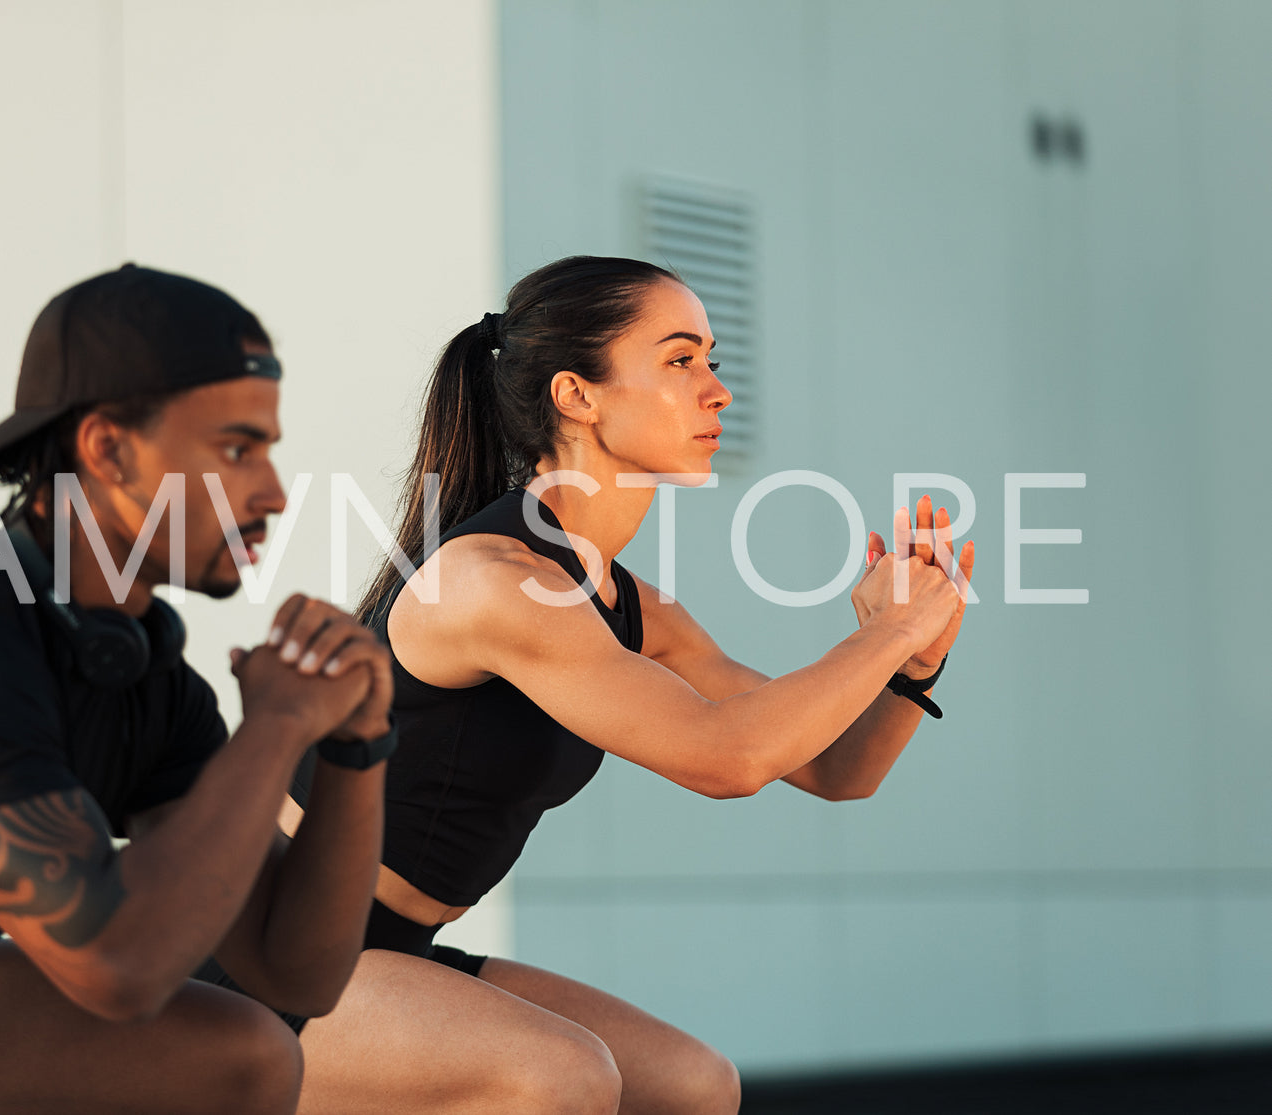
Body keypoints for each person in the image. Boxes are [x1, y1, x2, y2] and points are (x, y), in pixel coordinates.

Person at [277, 255, 976, 1114]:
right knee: (558, 1074)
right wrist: (892, 628)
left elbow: (837, 769)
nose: (716, 389)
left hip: (395, 950)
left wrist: (911, 658)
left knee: (693, 1085)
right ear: (576, 395)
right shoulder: (489, 579)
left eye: (711, 361)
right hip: (263, 949)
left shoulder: (626, 603)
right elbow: (726, 756)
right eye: (680, 360)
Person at [0, 264, 395, 1114]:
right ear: (106, 447)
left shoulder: (136, 671)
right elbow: (116, 968)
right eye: (236, 448)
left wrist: (355, 747)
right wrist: (276, 726)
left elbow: (297, 968)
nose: (276, 492)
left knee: (243, 1055)